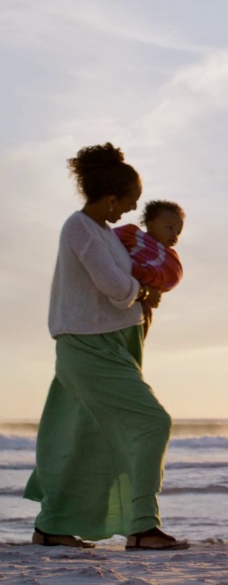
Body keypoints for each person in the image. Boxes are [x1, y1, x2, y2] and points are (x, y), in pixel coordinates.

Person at [24, 143, 188, 551]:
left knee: (87, 439)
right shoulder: (79, 228)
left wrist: (140, 290)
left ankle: (52, 526)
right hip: (89, 346)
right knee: (153, 422)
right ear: (112, 197)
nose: (131, 210)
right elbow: (117, 287)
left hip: (113, 343)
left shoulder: (102, 233)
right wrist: (141, 290)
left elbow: (125, 284)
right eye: (129, 201)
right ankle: (143, 527)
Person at [114, 200, 185, 335]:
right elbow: (106, 242)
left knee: (133, 343)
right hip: (117, 291)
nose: (174, 235)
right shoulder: (132, 234)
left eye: (178, 232)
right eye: (170, 228)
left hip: (141, 305)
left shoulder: (170, 257)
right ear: (151, 225)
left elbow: (172, 275)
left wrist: (135, 273)